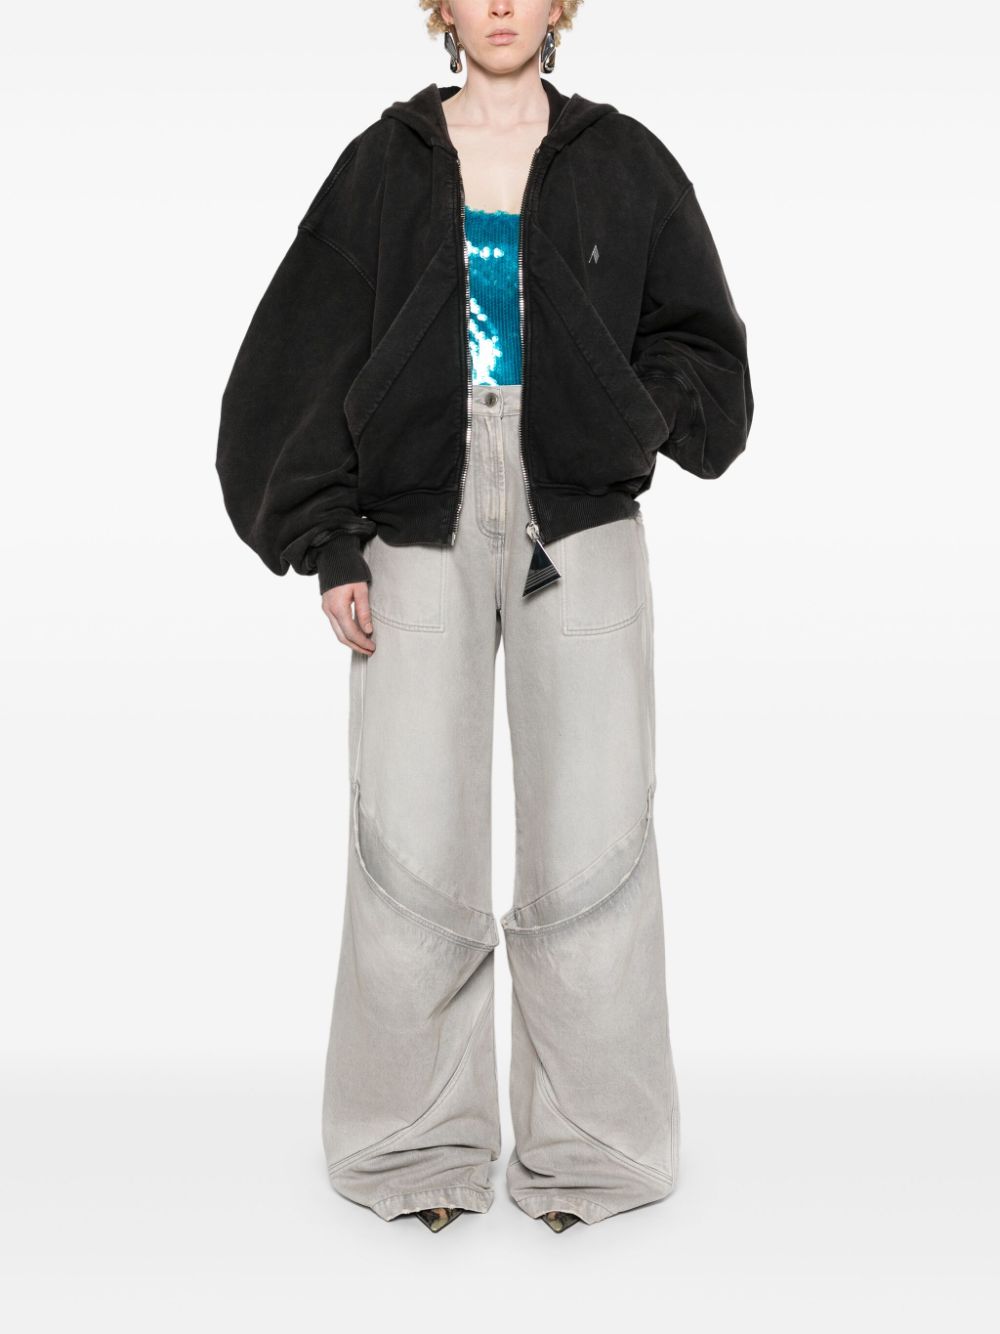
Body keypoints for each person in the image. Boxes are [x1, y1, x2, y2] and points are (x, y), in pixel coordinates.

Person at [215, 0, 753, 1235]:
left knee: (597, 837)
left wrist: (628, 412)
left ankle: (597, 1149)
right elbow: (292, 359)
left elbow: (709, 360)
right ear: (440, 9)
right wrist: (326, 540)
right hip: (415, 518)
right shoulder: (383, 164)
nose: (500, 2)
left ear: (561, 5)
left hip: (580, 518)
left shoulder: (625, 160)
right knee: (408, 837)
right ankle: (410, 1144)